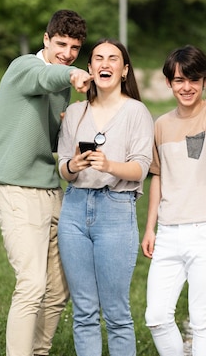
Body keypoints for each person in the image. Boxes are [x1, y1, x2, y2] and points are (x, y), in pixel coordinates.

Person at [0, 9, 92, 356]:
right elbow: (44, 78)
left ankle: (38, 351)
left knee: (59, 289)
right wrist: (73, 73)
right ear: (46, 40)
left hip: (52, 191)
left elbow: (52, 143)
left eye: (75, 48)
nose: (67, 52)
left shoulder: (62, 87)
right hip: (16, 190)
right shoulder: (23, 68)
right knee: (32, 284)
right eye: (61, 43)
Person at [56, 38, 153, 356]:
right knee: (83, 312)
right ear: (89, 68)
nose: (104, 63)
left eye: (113, 59)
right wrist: (73, 164)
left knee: (117, 314)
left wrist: (108, 165)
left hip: (116, 210)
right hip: (73, 210)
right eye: (98, 58)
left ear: (124, 70)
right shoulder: (74, 111)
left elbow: (141, 167)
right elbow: (64, 169)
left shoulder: (136, 112)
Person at [141, 45, 206, 356]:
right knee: (156, 316)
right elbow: (158, 178)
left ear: (205, 81)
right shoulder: (161, 125)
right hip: (168, 232)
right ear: (169, 83)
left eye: (194, 80)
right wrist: (150, 228)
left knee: (202, 319)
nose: (187, 87)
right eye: (179, 80)